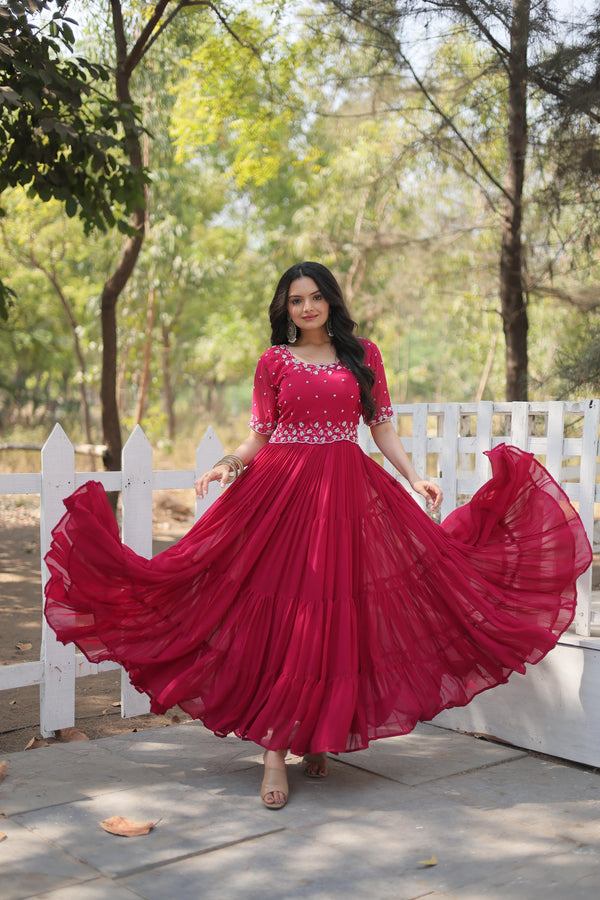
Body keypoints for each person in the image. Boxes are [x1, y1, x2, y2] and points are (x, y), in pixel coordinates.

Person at [44, 261, 592, 812]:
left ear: (330, 301)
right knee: (287, 614)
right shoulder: (274, 361)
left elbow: (380, 426)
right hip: (280, 495)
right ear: (285, 308)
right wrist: (227, 465)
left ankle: (316, 734)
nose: (305, 308)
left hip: (348, 493)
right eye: (295, 300)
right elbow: (261, 431)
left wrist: (413, 475)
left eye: (314, 298)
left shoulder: (364, 355)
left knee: (336, 616)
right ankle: (275, 752)